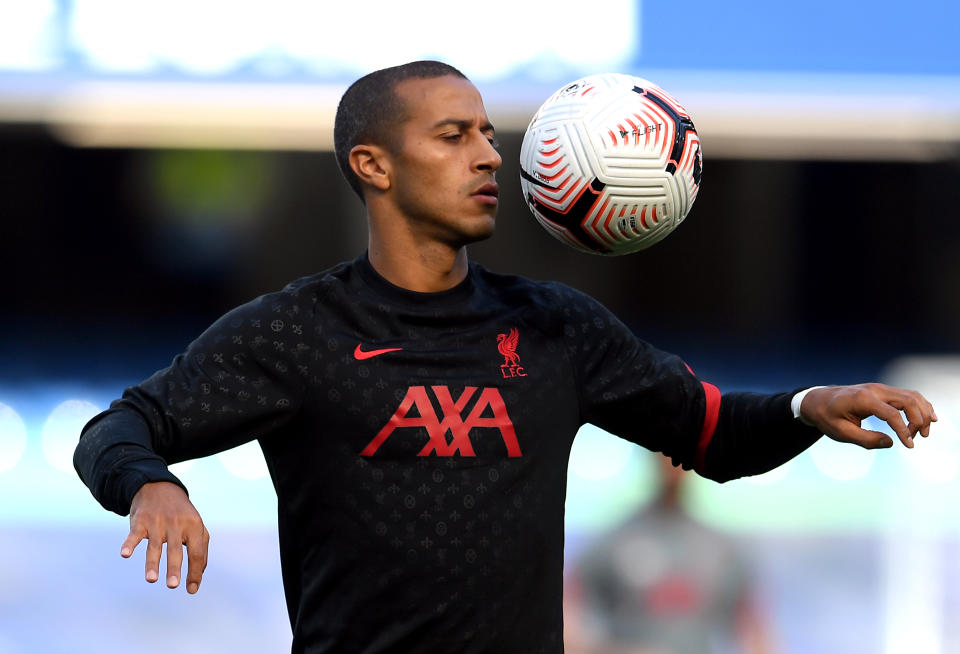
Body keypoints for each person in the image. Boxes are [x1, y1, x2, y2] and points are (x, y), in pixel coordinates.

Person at [73, 60, 936, 654]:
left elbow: (712, 433)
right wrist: (151, 480)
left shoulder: (558, 327)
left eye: (489, 133)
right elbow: (119, 427)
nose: (490, 154)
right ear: (372, 164)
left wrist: (805, 407)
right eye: (453, 136)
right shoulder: (295, 331)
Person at [565, 455, 776, 654]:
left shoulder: (720, 548)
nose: (672, 460)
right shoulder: (614, 541)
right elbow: (564, 620)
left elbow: (755, 631)